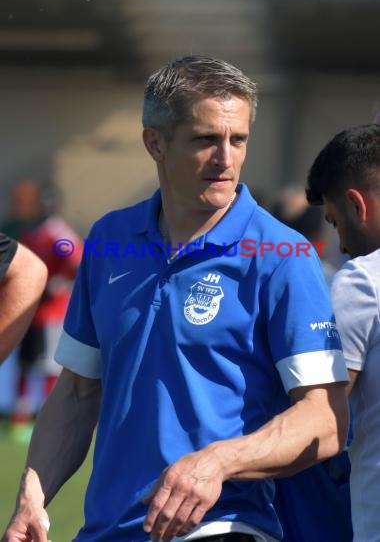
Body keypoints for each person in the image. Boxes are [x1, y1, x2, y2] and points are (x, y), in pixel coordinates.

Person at [2, 55, 349, 542]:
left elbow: (326, 420)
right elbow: (79, 391)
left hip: (222, 527)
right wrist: (32, 497)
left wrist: (217, 462)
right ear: (155, 143)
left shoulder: (281, 254)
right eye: (206, 139)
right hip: (106, 531)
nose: (225, 159)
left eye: (238, 139)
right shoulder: (109, 238)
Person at [306, 123, 380, 542]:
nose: (344, 247)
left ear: (357, 205)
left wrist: (221, 459)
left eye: (335, 223)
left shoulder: (363, 281)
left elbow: (318, 417)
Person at [270, 184, 352, 541]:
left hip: (272, 445)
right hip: (326, 449)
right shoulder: (341, 285)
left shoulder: (255, 285)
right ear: (322, 229)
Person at [1, 180, 82, 440]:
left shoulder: (56, 232)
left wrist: (60, 283)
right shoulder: (32, 231)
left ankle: (48, 420)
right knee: (25, 364)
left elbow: (77, 261)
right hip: (30, 310)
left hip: (52, 314)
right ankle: (20, 419)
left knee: (48, 367)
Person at [0, 233, 47, 363]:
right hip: (30, 314)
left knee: (44, 369)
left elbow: (29, 268)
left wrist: (58, 283)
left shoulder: (55, 233)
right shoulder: (30, 233)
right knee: (25, 367)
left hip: (48, 316)